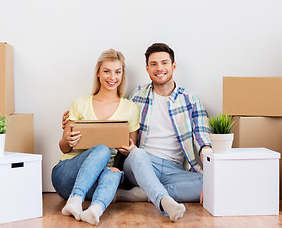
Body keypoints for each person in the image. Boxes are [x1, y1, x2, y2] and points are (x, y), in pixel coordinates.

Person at [61, 43, 211, 222]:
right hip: (141, 162)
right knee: (138, 153)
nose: (159, 68)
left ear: (173, 66)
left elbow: (203, 140)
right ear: (147, 69)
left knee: (211, 182)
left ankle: (139, 194)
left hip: (174, 169)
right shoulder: (137, 96)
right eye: (153, 64)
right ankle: (164, 201)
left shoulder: (191, 99)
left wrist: (212, 172)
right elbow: (115, 117)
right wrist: (70, 122)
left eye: (164, 63)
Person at [52, 49, 142, 226]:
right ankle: (75, 200)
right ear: (98, 73)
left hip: (98, 181)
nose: (112, 77)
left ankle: (95, 210)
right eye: (107, 71)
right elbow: (63, 147)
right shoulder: (80, 103)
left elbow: (130, 148)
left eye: (117, 72)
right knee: (101, 149)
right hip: (67, 175)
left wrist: (129, 151)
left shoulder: (131, 108)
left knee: (113, 174)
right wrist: (67, 141)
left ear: (122, 75)